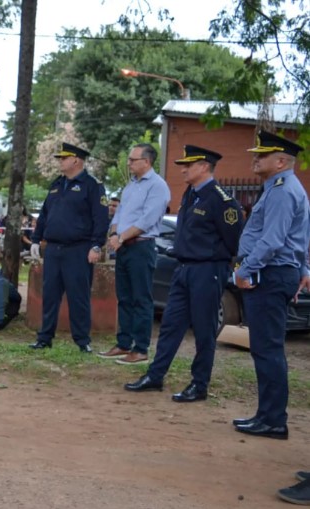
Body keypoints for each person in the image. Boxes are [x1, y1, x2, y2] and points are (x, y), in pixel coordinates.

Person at [124, 145, 243, 401]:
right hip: (184, 269)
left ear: (204, 166)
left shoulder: (221, 200)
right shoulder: (191, 193)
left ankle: (199, 384)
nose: (183, 170)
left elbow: (233, 241)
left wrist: (218, 265)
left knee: (203, 330)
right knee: (170, 325)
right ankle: (155, 376)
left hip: (207, 270)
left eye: (188, 165)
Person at [231, 131, 310, 441]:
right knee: (267, 348)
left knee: (267, 349)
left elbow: (274, 240)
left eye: (262, 155)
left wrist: (244, 271)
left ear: (280, 162)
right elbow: (299, 235)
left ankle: (273, 420)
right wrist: (303, 267)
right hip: (278, 273)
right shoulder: (287, 187)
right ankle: (267, 415)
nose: (255, 158)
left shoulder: (281, 190)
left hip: (270, 274)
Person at [29, 143, 108, 353]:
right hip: (54, 249)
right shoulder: (57, 184)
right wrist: (36, 239)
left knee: (78, 296)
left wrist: (96, 245)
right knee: (50, 295)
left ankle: (82, 340)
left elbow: (100, 218)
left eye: (64, 158)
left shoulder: (92, 185)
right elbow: (45, 214)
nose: (60, 161)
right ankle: (44, 337)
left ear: (76, 160)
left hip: (78, 249)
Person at [99, 143, 170, 364]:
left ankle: (140, 348)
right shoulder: (131, 185)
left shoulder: (158, 186)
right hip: (123, 247)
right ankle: (123, 343)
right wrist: (114, 234)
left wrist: (121, 237)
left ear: (146, 162)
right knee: (124, 297)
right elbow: (119, 213)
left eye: (132, 160)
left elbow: (147, 220)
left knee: (141, 298)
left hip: (141, 246)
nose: (128, 163)